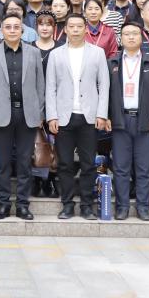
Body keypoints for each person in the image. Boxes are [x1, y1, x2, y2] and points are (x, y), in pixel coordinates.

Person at [45, 13, 110, 220]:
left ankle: (87, 206)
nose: (75, 30)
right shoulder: (56, 54)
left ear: (85, 29)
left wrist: (102, 113)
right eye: (71, 26)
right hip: (63, 116)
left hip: (89, 117)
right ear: (65, 29)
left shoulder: (97, 53)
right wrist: (51, 116)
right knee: (65, 164)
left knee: (88, 164)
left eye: (79, 26)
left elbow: (104, 85)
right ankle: (67, 205)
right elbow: (50, 87)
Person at [0, 14, 45, 220]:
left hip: (27, 114)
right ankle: (3, 204)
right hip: (1, 114)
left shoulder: (34, 53)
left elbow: (40, 86)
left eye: (16, 27)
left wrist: (40, 113)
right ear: (1, 30)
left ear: (22, 30)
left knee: (25, 163)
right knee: (2, 164)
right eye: (7, 27)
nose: (12, 30)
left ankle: (23, 205)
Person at [107, 21, 149, 221]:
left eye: (135, 33)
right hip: (120, 120)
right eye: (127, 34)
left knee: (143, 167)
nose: (131, 37)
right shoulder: (112, 63)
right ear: (120, 38)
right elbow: (105, 93)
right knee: (120, 167)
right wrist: (107, 116)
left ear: (141, 38)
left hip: (144, 120)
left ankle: (143, 207)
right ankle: (122, 207)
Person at [31, 10, 59, 198]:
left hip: (56, 104)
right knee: (37, 144)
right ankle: (37, 181)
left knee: (55, 145)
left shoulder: (62, 48)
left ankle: (51, 181)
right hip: (33, 103)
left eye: (49, 24)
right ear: (36, 27)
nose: (45, 28)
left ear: (54, 27)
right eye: (41, 24)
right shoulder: (28, 48)